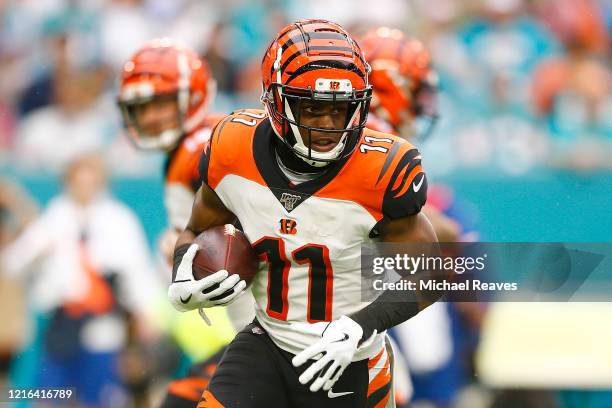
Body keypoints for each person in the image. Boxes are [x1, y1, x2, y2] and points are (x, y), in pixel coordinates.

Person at [168, 19, 438, 407]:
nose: (328, 125)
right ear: (276, 102)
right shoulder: (232, 149)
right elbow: (196, 229)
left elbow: (431, 274)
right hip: (267, 342)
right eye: (311, 109)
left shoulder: (382, 171)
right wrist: (182, 273)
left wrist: (360, 326)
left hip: (348, 361)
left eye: (341, 110)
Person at [117, 38, 254, 408]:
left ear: (192, 96)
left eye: (159, 103)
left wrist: (188, 250)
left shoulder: (201, 149)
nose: (148, 117)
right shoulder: (196, 145)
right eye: (140, 108)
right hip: (260, 329)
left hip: (273, 327)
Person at [1, 152, 158, 407]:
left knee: (100, 397)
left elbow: (137, 270)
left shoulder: (119, 220)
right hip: (61, 323)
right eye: (78, 182)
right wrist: (37, 252)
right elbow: (13, 263)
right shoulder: (53, 219)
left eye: (90, 182)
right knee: (51, 396)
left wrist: (145, 313)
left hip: (103, 323)